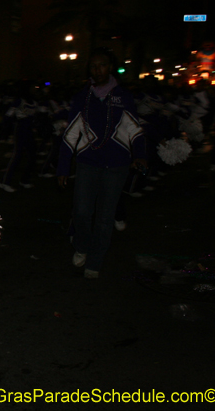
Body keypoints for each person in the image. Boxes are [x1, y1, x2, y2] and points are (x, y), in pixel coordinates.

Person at [57, 48, 146, 279]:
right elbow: (70, 134)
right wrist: (63, 167)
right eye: (93, 66)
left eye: (102, 65)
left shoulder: (123, 96)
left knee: (105, 217)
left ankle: (95, 261)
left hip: (117, 166)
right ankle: (82, 247)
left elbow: (134, 129)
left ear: (110, 67)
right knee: (82, 212)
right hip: (87, 162)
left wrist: (139, 154)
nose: (97, 70)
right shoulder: (82, 97)